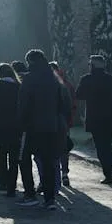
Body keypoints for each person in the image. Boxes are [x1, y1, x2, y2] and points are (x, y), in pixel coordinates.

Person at [17, 49, 66, 211]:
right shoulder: (54, 78)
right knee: (48, 162)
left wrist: (21, 123)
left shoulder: (29, 79)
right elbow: (63, 102)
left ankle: (30, 194)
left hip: (32, 126)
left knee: (24, 160)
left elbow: (24, 104)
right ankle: (49, 198)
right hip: (51, 126)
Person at [76, 54, 112, 184]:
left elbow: (79, 95)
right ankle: (109, 172)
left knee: (100, 147)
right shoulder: (111, 79)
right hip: (109, 116)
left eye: (90, 64)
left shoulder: (87, 79)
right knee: (107, 145)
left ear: (93, 66)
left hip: (94, 117)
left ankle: (108, 173)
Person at [0, 63, 21, 197]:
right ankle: (12, 185)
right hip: (15, 125)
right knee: (14, 156)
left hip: (1, 124)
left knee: (2, 154)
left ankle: (2, 182)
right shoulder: (18, 87)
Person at [50, 62, 76, 187]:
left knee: (50, 150)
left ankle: (53, 177)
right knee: (63, 149)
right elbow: (71, 105)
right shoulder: (66, 84)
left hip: (50, 122)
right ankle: (64, 173)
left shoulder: (46, 84)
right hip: (64, 121)